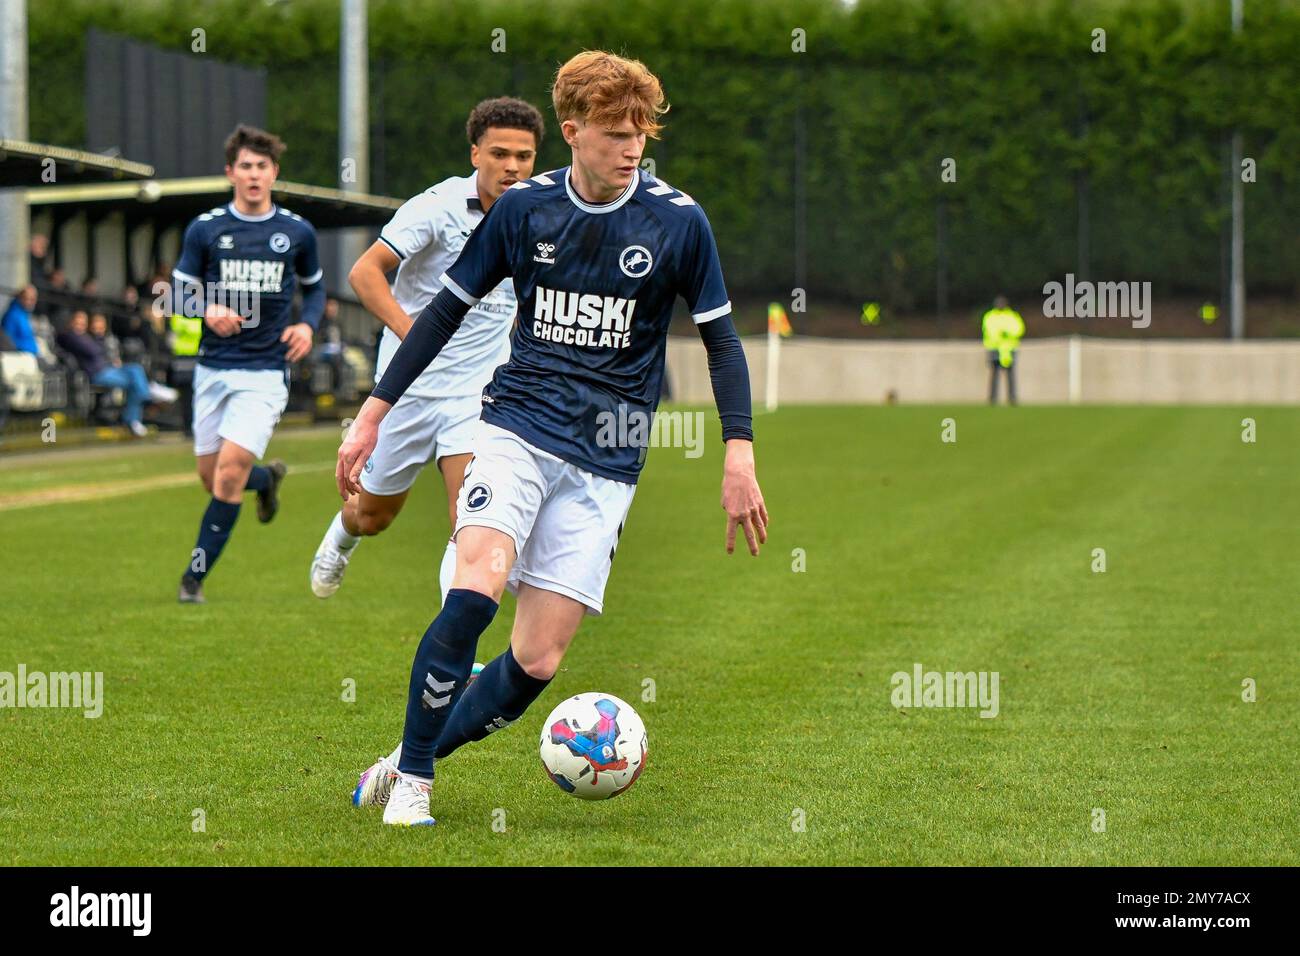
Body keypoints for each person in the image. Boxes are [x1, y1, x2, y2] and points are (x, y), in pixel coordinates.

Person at [338, 51, 768, 827]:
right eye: (612, 132)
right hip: (515, 428)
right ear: (572, 131)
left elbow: (723, 342)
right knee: (474, 589)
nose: (631, 146)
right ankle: (417, 789)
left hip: (608, 458)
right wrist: (375, 409)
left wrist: (738, 450)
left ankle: (405, 756)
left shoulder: (679, 221)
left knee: (537, 661)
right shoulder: (525, 210)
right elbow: (444, 311)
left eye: (641, 130)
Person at [310, 97, 544, 600]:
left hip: (477, 396)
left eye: (523, 156)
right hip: (407, 390)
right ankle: (340, 538)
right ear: (475, 154)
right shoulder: (435, 206)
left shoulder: (539, 216)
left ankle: (451, 655)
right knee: (372, 517)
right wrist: (414, 333)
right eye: (500, 153)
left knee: (471, 519)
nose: (512, 167)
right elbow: (364, 272)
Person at [171, 124, 325, 604]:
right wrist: (205, 309)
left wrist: (308, 325)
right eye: (245, 166)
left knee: (230, 471)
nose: (254, 175)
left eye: (262, 166)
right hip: (214, 368)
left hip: (265, 371)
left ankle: (193, 578)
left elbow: (316, 288)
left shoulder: (296, 231)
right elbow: (178, 290)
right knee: (210, 476)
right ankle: (268, 479)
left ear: (274, 172)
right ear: (230, 173)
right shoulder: (206, 228)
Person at [56, 309, 175, 436]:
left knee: (136, 368)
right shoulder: (71, 336)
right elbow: (93, 351)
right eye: (78, 321)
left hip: (109, 368)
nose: (80, 324)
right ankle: (143, 401)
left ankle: (148, 389)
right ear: (71, 322)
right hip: (97, 373)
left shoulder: (93, 337)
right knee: (135, 383)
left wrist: (111, 358)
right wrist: (106, 353)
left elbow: (101, 351)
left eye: (83, 322)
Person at [981, 294, 1024, 405]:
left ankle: (1012, 398)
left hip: (1009, 349)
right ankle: (993, 399)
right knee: (994, 374)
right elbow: (987, 329)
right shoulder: (990, 316)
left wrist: (1007, 333)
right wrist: (999, 335)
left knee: (1010, 375)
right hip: (994, 349)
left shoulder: (1012, 316)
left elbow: (1019, 329)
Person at [1, 285, 40, 356]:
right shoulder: (12, 315)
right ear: (20, 298)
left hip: (31, 355)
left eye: (33, 299)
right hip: (22, 356)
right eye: (26, 298)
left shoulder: (25, 314)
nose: (29, 302)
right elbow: (7, 342)